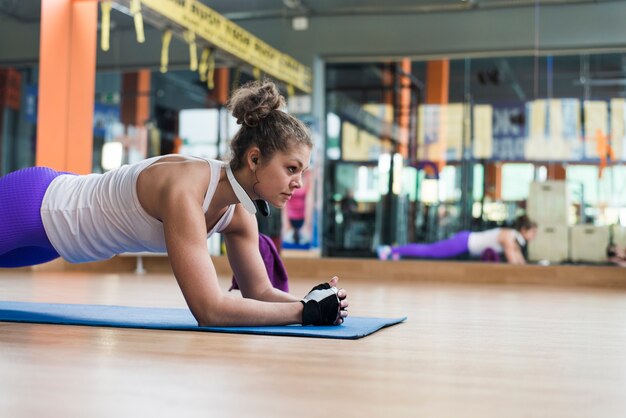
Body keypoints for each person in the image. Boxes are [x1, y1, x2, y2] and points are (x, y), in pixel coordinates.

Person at [0, 79, 348, 327]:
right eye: (291, 169)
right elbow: (209, 311)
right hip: (30, 207)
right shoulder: (187, 191)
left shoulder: (240, 213)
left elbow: (258, 292)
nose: (298, 183)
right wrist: (304, 314)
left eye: (302, 171)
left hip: (57, 242)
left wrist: (310, 302)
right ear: (255, 159)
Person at [377, 216, 538, 265]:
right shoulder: (508, 237)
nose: (534, 236)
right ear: (523, 230)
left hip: (465, 242)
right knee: (430, 251)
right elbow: (515, 264)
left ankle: (395, 252)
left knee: (430, 250)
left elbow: (521, 264)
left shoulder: (514, 240)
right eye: (533, 232)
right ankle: (391, 250)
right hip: (464, 242)